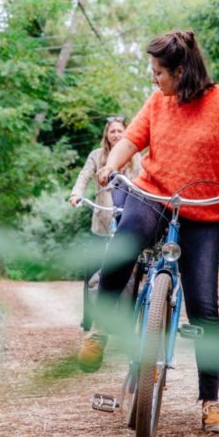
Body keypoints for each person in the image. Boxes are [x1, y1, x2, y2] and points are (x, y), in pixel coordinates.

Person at [76, 30, 219, 434]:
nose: (154, 79)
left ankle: (210, 402)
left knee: (204, 307)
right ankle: (100, 330)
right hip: (153, 196)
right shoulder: (158, 101)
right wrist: (111, 165)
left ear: (180, 72)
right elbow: (131, 140)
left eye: (158, 72)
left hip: (202, 211)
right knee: (123, 249)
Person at [69, 116, 142, 331]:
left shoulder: (135, 156)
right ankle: (90, 319)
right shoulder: (96, 155)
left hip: (127, 218)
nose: (116, 135)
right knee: (93, 269)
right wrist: (76, 193)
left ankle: (126, 321)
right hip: (102, 221)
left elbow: (142, 179)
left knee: (129, 270)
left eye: (120, 131)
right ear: (106, 135)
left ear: (126, 132)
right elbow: (84, 176)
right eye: (113, 131)